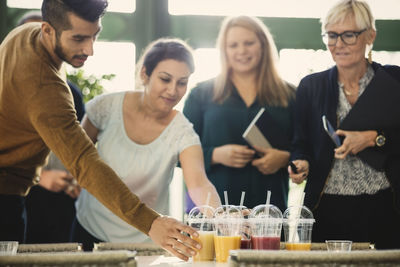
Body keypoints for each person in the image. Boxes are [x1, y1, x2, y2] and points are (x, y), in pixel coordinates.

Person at [0, 0, 201, 260]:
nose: (90, 49)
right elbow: (84, 161)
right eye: (79, 38)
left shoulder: (24, 35)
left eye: (95, 35)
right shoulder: (46, 89)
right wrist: (151, 222)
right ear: (47, 30)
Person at [71, 38, 221, 250]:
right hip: (90, 228)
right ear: (144, 74)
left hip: (146, 238)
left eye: (182, 82)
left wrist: (221, 215)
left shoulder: (183, 131)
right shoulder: (105, 107)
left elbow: (198, 184)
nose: (173, 90)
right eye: (165, 79)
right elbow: (75, 158)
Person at [289, 0, 400, 249]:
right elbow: (300, 143)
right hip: (327, 207)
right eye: (332, 35)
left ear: (370, 35)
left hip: (386, 205)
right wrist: (301, 162)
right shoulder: (311, 87)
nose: (338, 44)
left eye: (348, 35)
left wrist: (373, 138)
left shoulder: (394, 80)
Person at [183, 16, 295, 213]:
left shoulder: (290, 95)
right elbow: (177, 153)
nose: (241, 51)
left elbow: (308, 150)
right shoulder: (201, 95)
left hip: (269, 213)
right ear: (224, 51)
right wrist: (215, 155)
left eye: (249, 43)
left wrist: (284, 158)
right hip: (214, 213)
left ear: (263, 45)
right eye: (233, 45)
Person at [15, 9, 84, 244]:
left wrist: (78, 177)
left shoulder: (71, 92)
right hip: (20, 197)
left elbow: (79, 143)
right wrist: (41, 177)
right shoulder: (7, 89)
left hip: (63, 200)